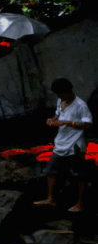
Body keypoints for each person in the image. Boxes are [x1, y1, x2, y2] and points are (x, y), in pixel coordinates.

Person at [35, 78, 92, 212]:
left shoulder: (80, 105)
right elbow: (57, 114)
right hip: (61, 143)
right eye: (57, 95)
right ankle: (50, 199)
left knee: (77, 175)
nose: (59, 97)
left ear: (68, 91)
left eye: (61, 93)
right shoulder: (61, 101)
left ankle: (80, 204)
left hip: (75, 145)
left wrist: (68, 123)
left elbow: (88, 124)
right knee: (50, 171)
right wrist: (52, 120)